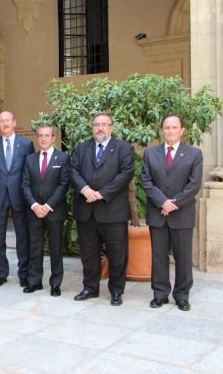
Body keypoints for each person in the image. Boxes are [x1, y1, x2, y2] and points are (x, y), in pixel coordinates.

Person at [70, 113, 134, 306]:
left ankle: (116, 291)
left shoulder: (124, 149)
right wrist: (85, 189)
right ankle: (90, 287)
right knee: (89, 253)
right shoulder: (82, 148)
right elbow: (73, 170)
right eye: (96, 125)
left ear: (112, 128)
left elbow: (126, 173)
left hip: (112, 210)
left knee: (117, 254)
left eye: (104, 125)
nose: (100, 128)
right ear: (92, 128)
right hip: (86, 210)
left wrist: (103, 193)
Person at [141, 115, 202, 311]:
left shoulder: (194, 154)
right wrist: (163, 202)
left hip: (182, 214)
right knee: (159, 256)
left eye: (174, 127)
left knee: (183, 257)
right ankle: (160, 294)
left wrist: (174, 203)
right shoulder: (150, 154)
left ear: (182, 130)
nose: (170, 131)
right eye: (166, 127)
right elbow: (146, 182)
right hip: (157, 214)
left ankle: (182, 295)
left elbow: (194, 184)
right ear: (162, 130)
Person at [0, 111, 34, 287]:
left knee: (22, 236)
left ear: (14, 122)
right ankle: (1, 273)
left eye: (8, 120)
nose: (5, 124)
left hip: (20, 195)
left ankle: (24, 274)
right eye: (1, 121)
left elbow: (30, 170)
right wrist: (1, 185)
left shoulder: (26, 144)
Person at [21, 125, 70, 296]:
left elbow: (64, 184)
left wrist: (48, 206)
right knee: (35, 247)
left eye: (47, 136)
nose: (43, 139)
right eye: (40, 136)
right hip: (34, 211)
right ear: (37, 138)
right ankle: (35, 281)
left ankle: (56, 283)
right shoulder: (29, 159)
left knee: (56, 248)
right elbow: (25, 185)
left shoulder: (63, 158)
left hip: (54, 211)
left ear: (53, 138)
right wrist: (35, 205)